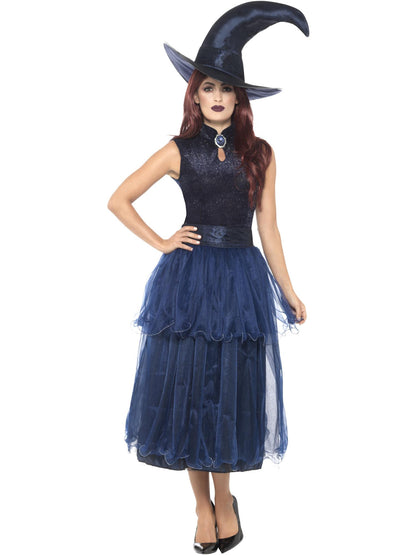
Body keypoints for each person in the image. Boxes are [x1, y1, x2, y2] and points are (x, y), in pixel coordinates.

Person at [107, 2, 308, 553]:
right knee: (191, 389)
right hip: (190, 282)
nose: (217, 96)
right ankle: (203, 506)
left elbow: (269, 228)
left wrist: (288, 290)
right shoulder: (178, 151)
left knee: (229, 391)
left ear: (239, 99)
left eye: (227, 88)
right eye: (208, 87)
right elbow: (119, 199)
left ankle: (225, 499)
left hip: (241, 281)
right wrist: (162, 240)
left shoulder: (260, 154)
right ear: (194, 96)